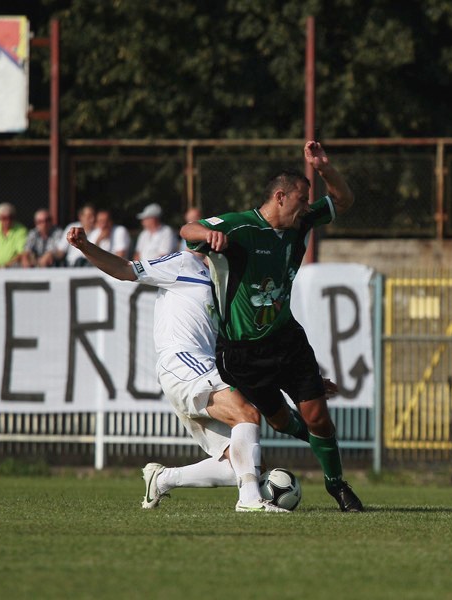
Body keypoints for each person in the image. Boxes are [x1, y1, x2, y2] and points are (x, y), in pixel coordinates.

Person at [180, 141, 364, 512]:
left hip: (287, 340)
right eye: (300, 199)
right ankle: (310, 438)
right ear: (280, 197)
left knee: (318, 417)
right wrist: (207, 236)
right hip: (242, 353)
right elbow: (188, 229)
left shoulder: (303, 222)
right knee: (281, 423)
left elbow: (343, 201)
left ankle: (337, 485)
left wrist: (324, 168)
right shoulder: (243, 227)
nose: (306, 207)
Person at [65, 225, 298, 512]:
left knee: (237, 465)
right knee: (247, 415)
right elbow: (126, 268)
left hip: (202, 369)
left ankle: (162, 479)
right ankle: (249, 500)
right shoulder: (184, 263)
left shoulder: (226, 288)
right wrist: (86, 247)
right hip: (183, 361)